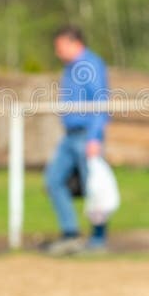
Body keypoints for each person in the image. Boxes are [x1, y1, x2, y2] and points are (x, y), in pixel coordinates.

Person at [42, 25, 110, 255]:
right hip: (70, 137)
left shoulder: (90, 65)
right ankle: (70, 234)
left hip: (86, 136)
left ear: (75, 43)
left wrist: (95, 138)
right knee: (54, 180)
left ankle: (99, 239)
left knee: (95, 187)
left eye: (60, 47)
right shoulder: (69, 68)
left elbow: (101, 102)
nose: (57, 52)